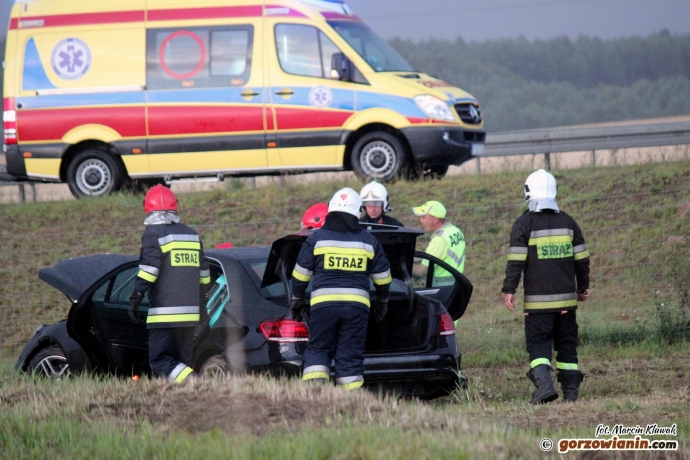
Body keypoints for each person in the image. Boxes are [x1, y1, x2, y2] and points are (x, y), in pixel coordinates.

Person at [501, 169, 590, 404]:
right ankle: (570, 394)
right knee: (567, 345)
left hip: (538, 304)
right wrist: (583, 287)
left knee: (538, 343)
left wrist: (509, 289)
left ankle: (544, 386)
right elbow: (582, 259)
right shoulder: (569, 222)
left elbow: (516, 261)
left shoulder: (524, 223)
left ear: (528, 192)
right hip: (567, 304)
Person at [290, 187, 391, 390]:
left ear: (331, 211)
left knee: (318, 350)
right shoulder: (369, 241)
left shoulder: (316, 239)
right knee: (350, 357)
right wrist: (382, 303)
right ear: (357, 212)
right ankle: (352, 405)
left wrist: (297, 300)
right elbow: (383, 279)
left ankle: (315, 398)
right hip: (357, 309)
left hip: (323, 307)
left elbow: (300, 275)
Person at [129, 185, 211, 383]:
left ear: (147, 208)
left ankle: (196, 382)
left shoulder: (153, 234)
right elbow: (205, 275)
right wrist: (202, 304)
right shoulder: (192, 235)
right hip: (190, 313)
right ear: (176, 207)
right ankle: (188, 396)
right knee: (180, 362)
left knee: (160, 360)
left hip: (164, 314)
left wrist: (136, 297)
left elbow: (150, 269)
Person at [411, 200, 466, 280]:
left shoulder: (439, 239)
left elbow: (421, 271)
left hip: (442, 284)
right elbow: (441, 255)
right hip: (456, 281)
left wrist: (401, 265)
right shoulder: (456, 230)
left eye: (424, 217)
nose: (421, 221)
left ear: (435, 220)